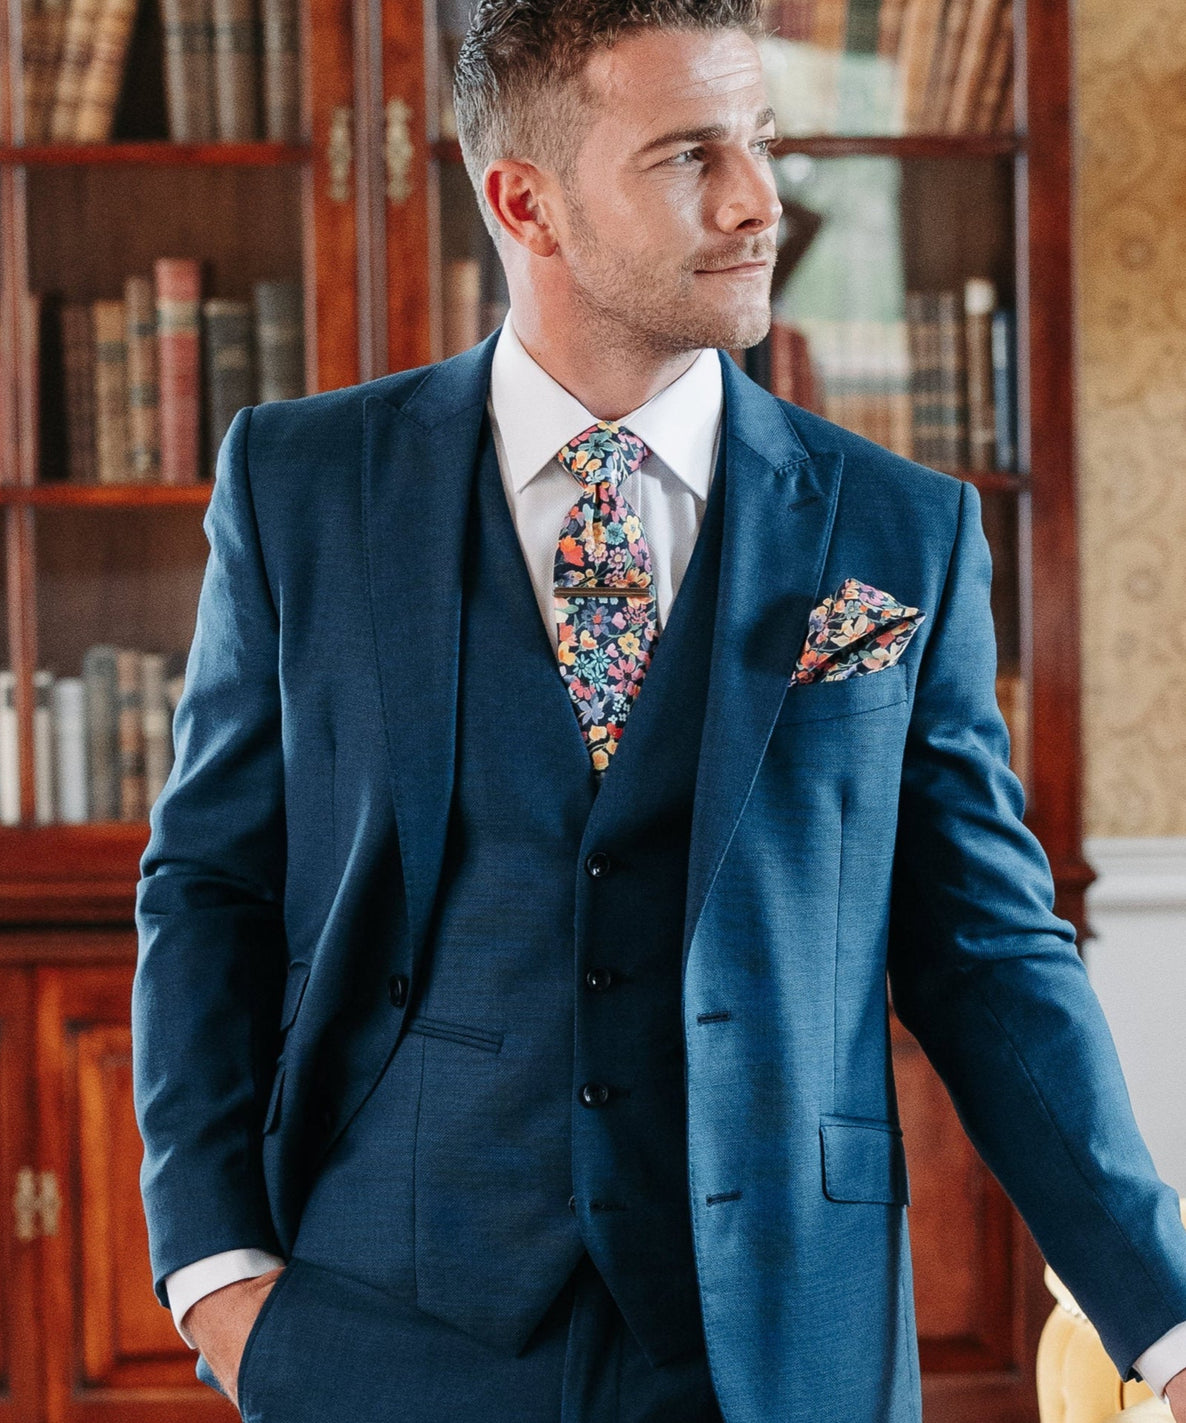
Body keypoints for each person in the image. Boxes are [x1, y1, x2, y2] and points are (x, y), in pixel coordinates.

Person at [131, 2, 1186, 1420]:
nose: (759, 201)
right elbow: (210, 888)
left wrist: (1164, 1321)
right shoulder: (304, 483)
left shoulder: (898, 530)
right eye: (689, 154)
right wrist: (213, 1270)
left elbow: (987, 953)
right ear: (527, 201)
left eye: (760, 142)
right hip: (382, 1327)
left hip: (773, 1337)